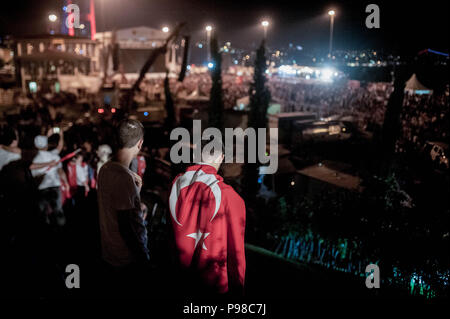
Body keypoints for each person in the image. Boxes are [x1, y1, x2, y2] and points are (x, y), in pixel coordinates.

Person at [168, 139, 246, 296]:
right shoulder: (230, 197)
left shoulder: (176, 184)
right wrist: (238, 288)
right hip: (212, 285)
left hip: (178, 279)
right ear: (221, 157)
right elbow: (236, 252)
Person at [97, 119, 149, 293]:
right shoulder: (123, 178)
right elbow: (127, 226)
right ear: (140, 143)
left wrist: (136, 194)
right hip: (126, 260)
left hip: (109, 253)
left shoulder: (105, 170)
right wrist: (143, 258)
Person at [31, 135, 69, 226]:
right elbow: (61, 172)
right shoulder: (54, 156)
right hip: (55, 187)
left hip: (41, 188)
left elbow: (32, 168)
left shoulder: (33, 158)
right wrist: (66, 182)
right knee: (58, 211)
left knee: (43, 213)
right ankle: (60, 231)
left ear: (35, 145)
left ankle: (46, 233)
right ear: (47, 145)